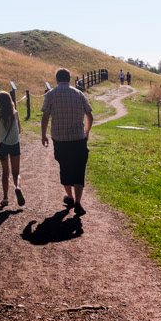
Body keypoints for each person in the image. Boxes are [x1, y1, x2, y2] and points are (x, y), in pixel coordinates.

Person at [40, 68, 93, 215]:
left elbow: (45, 116)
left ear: (57, 79)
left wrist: (43, 135)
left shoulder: (51, 94)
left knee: (65, 167)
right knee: (79, 169)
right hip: (78, 138)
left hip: (60, 139)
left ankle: (69, 196)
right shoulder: (79, 94)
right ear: (69, 79)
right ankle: (78, 202)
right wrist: (86, 132)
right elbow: (90, 116)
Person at [0, 90, 25, 207]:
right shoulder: (15, 113)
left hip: (3, 146)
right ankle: (17, 187)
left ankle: (5, 198)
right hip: (14, 144)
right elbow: (19, 130)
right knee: (16, 173)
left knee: (5, 172)